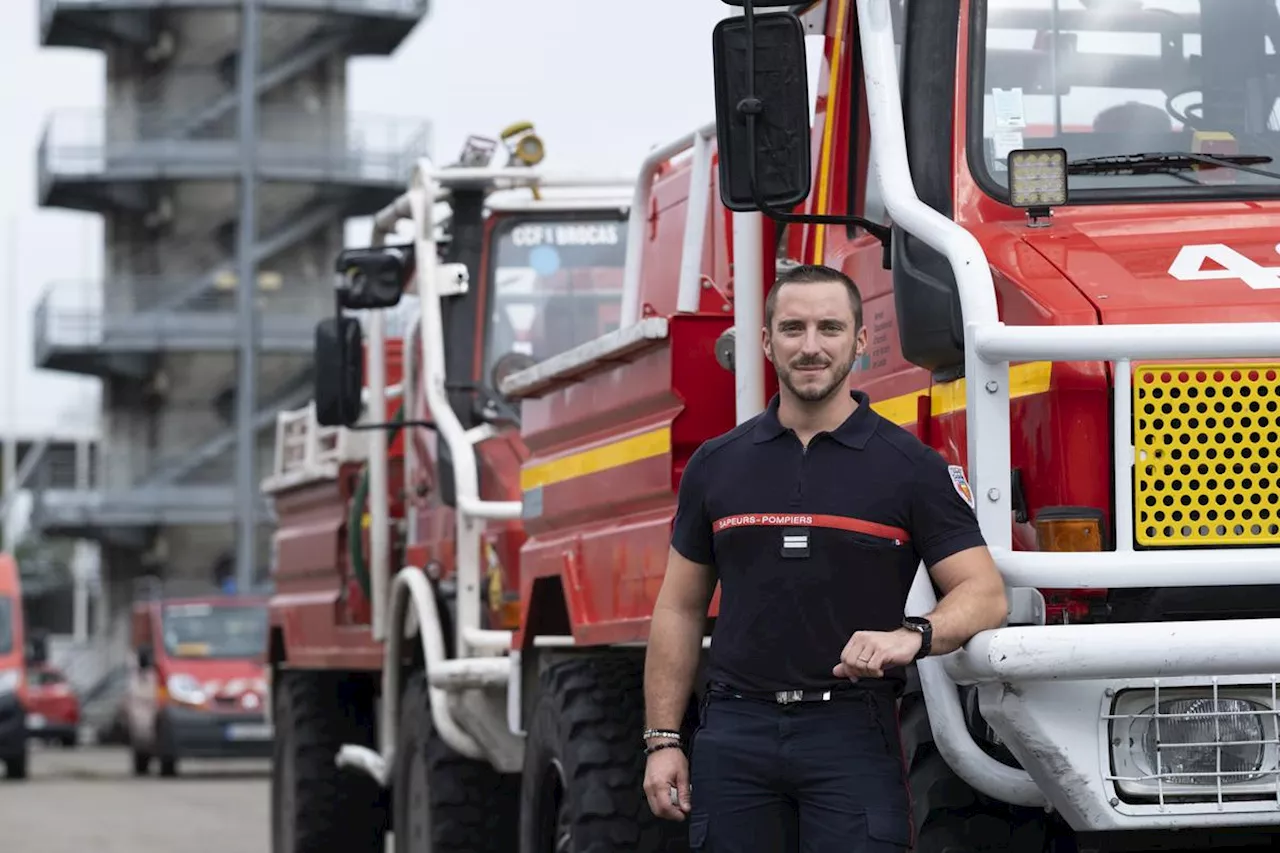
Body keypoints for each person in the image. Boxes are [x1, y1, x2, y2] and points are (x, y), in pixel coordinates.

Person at [641, 264, 1009, 852]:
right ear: (766, 342)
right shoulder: (716, 465)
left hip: (850, 733)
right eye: (792, 328)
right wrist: (662, 741)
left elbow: (985, 594)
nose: (811, 346)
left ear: (860, 341)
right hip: (735, 734)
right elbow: (680, 610)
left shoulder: (910, 467)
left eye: (829, 328)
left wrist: (912, 635)